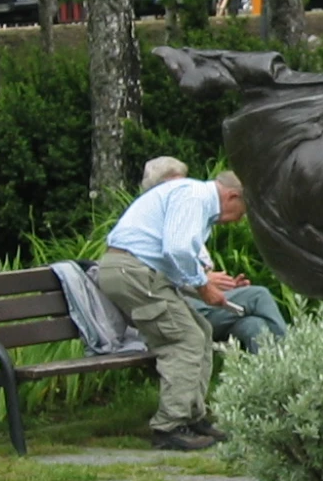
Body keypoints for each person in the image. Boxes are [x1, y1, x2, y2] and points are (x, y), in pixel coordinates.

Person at [99, 169, 249, 451]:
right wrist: (204, 289)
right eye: (243, 211)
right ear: (232, 196)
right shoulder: (194, 196)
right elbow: (177, 250)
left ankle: (194, 417)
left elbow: (175, 261)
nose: (239, 220)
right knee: (184, 339)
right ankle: (169, 426)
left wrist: (211, 287)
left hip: (136, 270)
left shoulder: (193, 200)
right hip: (132, 271)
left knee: (201, 331)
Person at [137, 158, 290, 353]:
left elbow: (198, 277)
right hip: (174, 308)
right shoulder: (147, 227)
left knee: (254, 326)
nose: (184, 189)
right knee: (258, 296)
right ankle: (295, 368)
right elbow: (165, 271)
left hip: (197, 302)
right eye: (175, 185)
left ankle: (275, 380)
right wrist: (202, 281)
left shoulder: (185, 219)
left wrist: (228, 289)